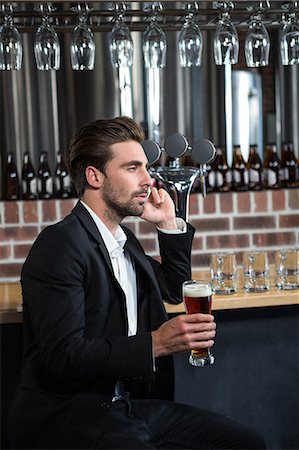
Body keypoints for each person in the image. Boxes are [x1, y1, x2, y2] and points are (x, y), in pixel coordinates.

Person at [8, 117, 266, 449]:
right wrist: (155, 344)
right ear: (94, 176)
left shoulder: (123, 240)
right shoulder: (59, 246)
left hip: (128, 408)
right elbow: (62, 357)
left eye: (146, 167)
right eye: (133, 168)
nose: (148, 179)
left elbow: (174, 289)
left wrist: (169, 223)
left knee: (246, 442)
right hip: (74, 416)